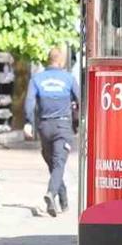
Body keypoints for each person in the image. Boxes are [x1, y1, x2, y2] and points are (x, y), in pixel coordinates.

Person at [25, 47, 80, 217]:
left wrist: (28, 123)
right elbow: (81, 100)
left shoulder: (37, 79)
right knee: (58, 164)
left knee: (53, 163)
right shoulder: (69, 79)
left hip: (44, 127)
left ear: (48, 60)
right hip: (62, 126)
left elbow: (29, 101)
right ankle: (51, 193)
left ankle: (63, 201)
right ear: (61, 61)